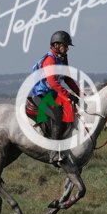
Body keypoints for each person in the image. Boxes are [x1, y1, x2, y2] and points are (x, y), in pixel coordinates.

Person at [30, 30, 81, 164]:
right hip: (42, 96)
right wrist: (68, 95)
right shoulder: (50, 60)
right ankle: (53, 153)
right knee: (58, 114)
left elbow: (68, 79)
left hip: (52, 95)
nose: (68, 48)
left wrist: (80, 94)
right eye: (66, 45)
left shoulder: (62, 59)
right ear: (56, 45)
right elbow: (52, 82)